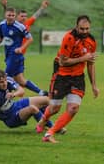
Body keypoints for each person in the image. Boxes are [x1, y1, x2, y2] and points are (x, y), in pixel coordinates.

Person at [36, 15, 100, 143]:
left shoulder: (92, 41)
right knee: (55, 108)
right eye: (82, 29)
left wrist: (94, 85)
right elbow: (63, 62)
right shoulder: (69, 38)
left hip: (77, 78)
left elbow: (90, 64)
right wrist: (83, 58)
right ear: (76, 26)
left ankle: (50, 133)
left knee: (73, 108)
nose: (85, 31)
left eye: (87, 29)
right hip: (61, 75)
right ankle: (43, 120)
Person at [0, 69, 52, 134]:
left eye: (5, 80)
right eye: (1, 82)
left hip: (16, 105)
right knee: (33, 108)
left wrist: (13, 94)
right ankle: (53, 127)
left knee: (47, 99)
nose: (4, 84)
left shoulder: (8, 80)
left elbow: (22, 91)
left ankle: (42, 124)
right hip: (10, 118)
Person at [0, 7, 48, 96]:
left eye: (13, 15)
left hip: (15, 57)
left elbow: (30, 39)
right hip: (8, 56)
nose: (11, 17)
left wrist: (21, 48)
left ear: (15, 16)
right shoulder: (2, 25)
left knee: (5, 78)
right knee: (21, 81)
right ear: (5, 15)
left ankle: (5, 98)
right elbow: (0, 36)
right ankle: (41, 92)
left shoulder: (20, 27)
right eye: (9, 15)